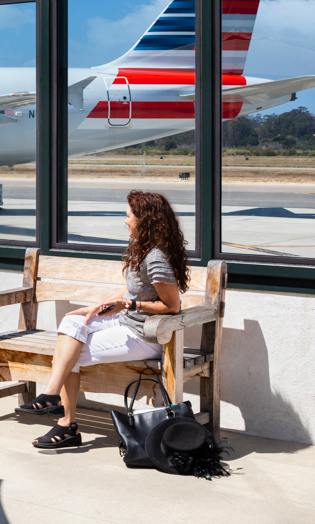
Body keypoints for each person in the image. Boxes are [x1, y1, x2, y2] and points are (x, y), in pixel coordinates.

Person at [16, 190, 190, 449]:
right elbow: (131, 288)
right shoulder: (141, 249)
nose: (125, 220)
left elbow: (171, 305)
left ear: (146, 220)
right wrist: (99, 305)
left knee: (68, 355)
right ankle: (53, 398)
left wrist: (130, 304)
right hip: (126, 323)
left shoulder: (156, 258)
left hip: (146, 334)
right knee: (73, 324)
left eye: (128, 215)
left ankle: (66, 424)